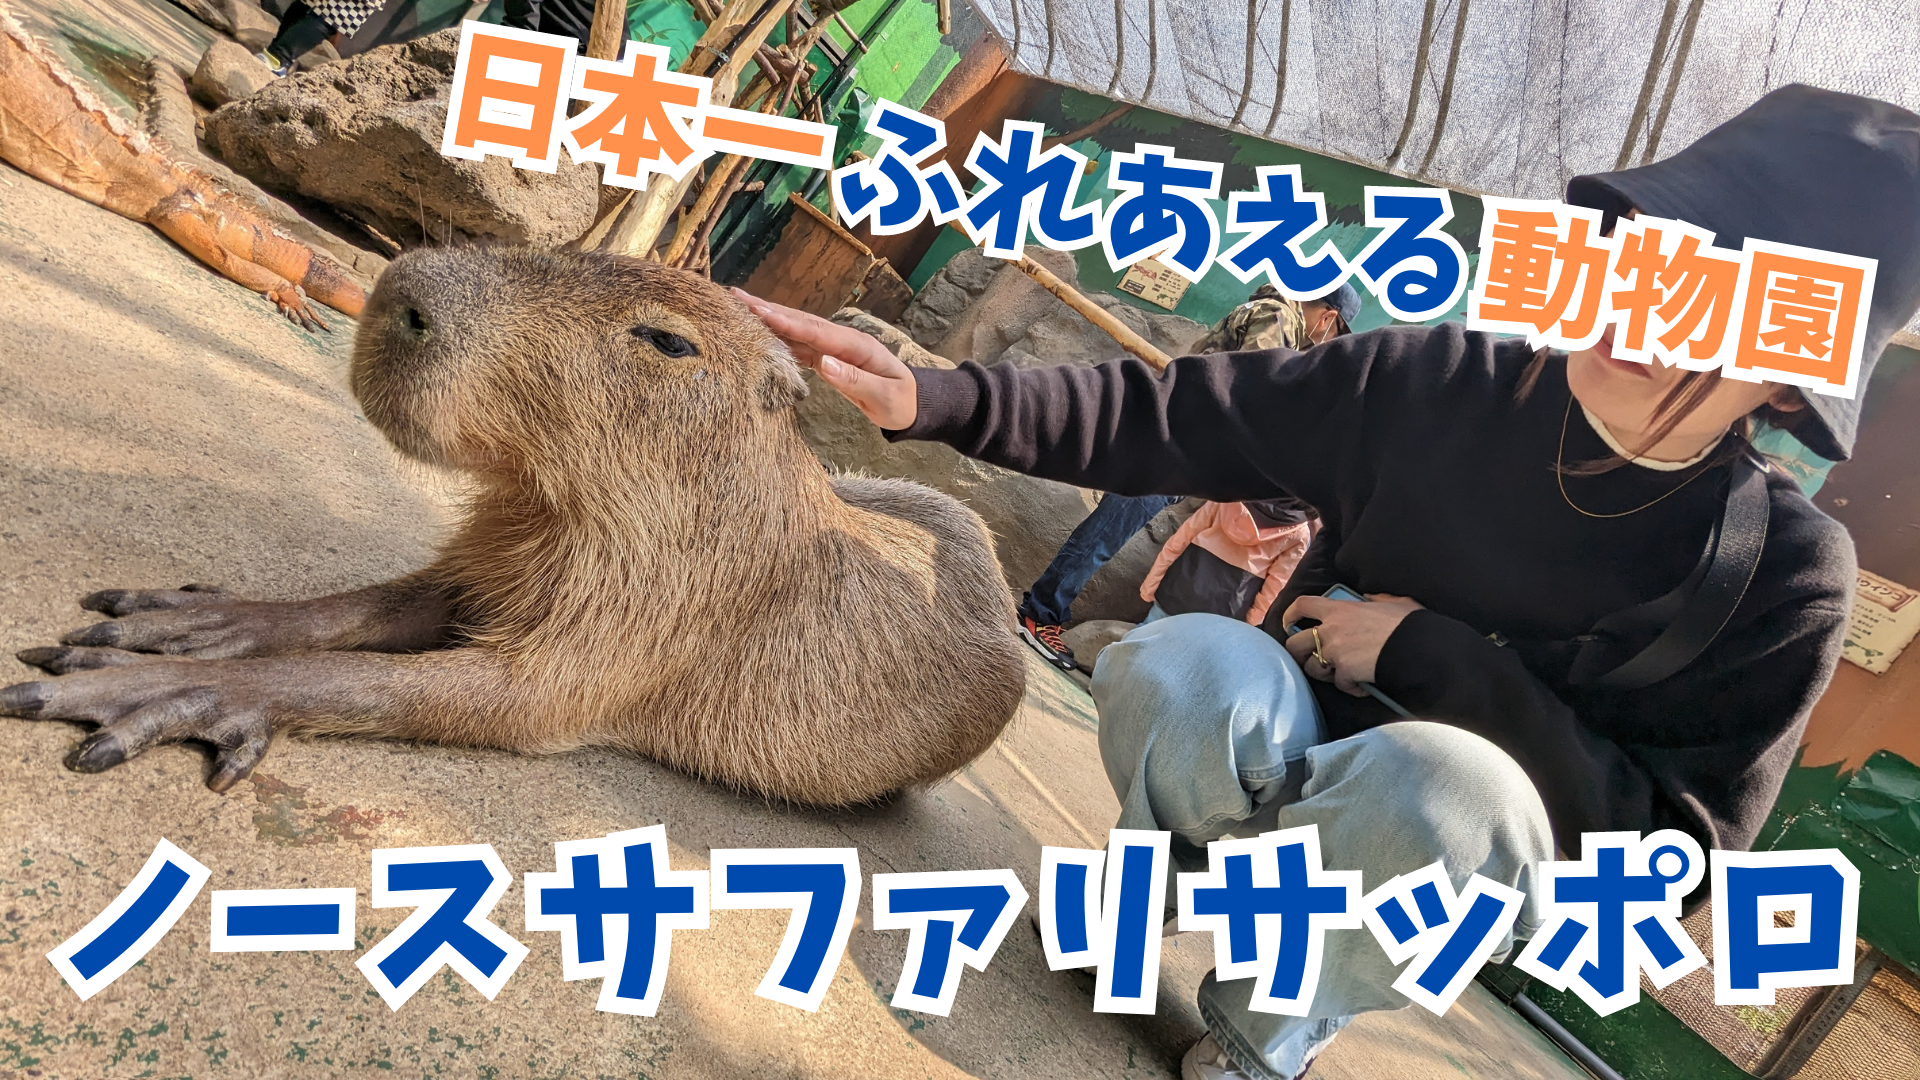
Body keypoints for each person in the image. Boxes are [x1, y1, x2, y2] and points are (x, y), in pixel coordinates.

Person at [743, 84, 1920, 1080]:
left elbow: (1676, 862)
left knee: (1442, 785)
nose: (1645, 303)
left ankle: (1269, 1032)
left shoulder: (1785, 572)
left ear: (1783, 380)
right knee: (1182, 659)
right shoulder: (1446, 382)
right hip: (1276, 751)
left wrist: (1426, 657)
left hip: (1468, 861)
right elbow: (1180, 415)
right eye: (1650, 250)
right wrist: (938, 397)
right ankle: (1160, 874)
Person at [1015, 281, 1360, 670]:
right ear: (1329, 317)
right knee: (1103, 536)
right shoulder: (1277, 316)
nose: (1326, 341)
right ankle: (1039, 614)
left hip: (1179, 448)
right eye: (1333, 333)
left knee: (1106, 534)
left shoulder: (1277, 319)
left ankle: (1042, 610)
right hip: (1167, 444)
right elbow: (1257, 393)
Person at [1138, 498, 1316, 626]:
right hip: (1224, 615)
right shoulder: (1299, 534)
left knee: (1140, 639)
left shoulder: (1226, 499)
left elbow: (1179, 541)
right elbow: (1274, 590)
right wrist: (1248, 625)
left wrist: (1151, 585)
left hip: (1176, 591)